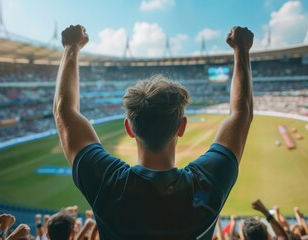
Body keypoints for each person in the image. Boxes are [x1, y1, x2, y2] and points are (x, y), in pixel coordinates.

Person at [53, 24, 253, 239]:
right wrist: (241, 50)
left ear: (129, 128)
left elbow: (64, 111)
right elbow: (241, 114)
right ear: (181, 127)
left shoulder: (108, 184)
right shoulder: (207, 183)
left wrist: (71, 47)